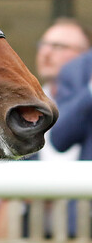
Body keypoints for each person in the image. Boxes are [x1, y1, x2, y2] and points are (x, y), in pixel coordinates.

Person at [31, 18, 90, 160]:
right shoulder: (25, 105)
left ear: (86, 55)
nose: (46, 53)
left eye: (59, 46)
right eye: (43, 45)